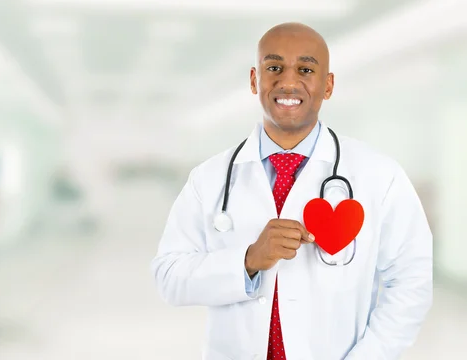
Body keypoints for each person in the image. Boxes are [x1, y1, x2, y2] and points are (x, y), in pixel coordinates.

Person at [150, 22, 433, 360]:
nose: (287, 81)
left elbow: (411, 282)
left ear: (327, 85)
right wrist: (248, 260)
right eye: (274, 68)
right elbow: (168, 277)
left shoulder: (379, 175)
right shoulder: (209, 179)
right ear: (255, 80)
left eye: (305, 69)